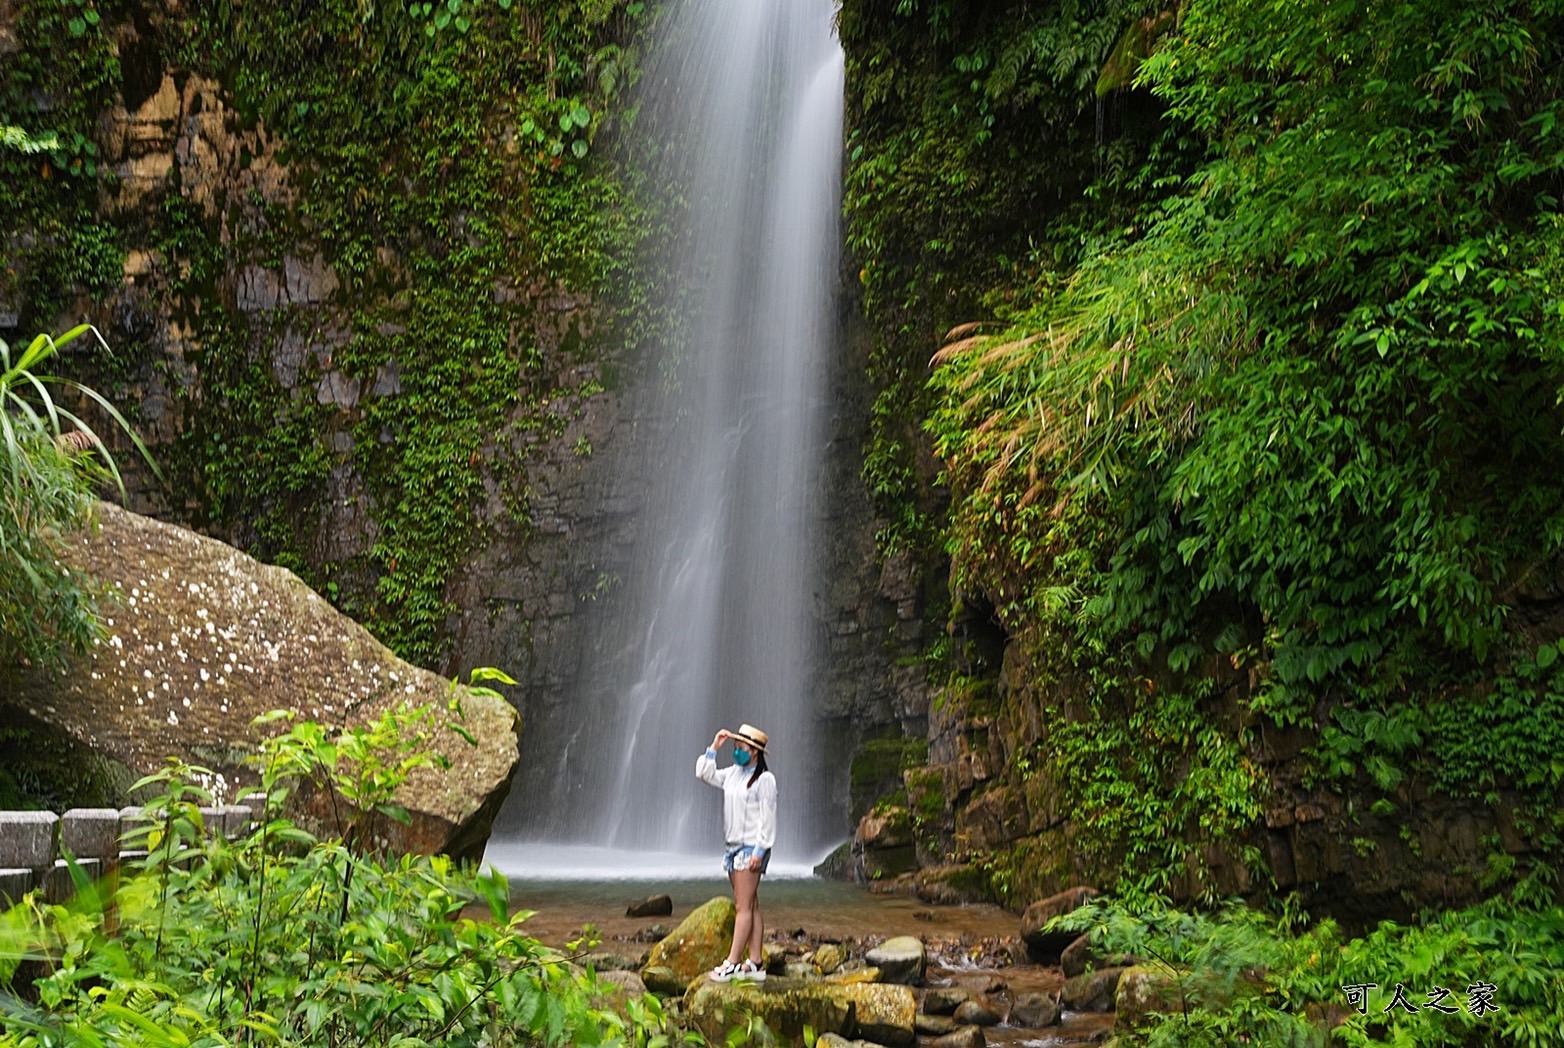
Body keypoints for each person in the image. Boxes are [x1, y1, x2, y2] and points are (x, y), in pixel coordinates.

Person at [695, 723, 777, 983]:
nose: (737, 752)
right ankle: (756, 962)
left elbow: (768, 818)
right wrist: (714, 747)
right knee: (751, 905)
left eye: (741, 748)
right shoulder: (733, 774)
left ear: (754, 751)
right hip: (732, 848)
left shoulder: (765, 780)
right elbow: (704, 774)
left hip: (750, 849)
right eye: (735, 747)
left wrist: (760, 851)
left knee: (742, 907)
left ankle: (732, 962)